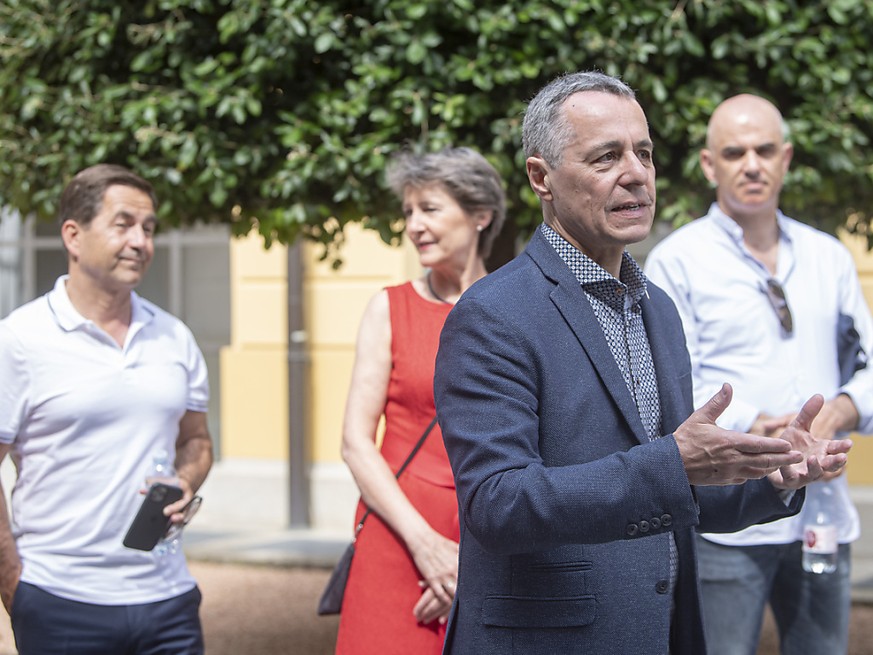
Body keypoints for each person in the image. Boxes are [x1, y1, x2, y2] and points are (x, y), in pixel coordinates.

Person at [432, 71, 853, 655]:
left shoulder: (657, 308)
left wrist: (774, 480)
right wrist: (672, 462)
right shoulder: (493, 314)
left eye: (644, 153)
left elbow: (681, 489)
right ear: (541, 178)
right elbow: (498, 504)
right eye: (606, 157)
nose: (635, 173)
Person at [644, 94, 873, 654]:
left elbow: (868, 362)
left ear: (786, 157)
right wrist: (756, 428)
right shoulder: (677, 260)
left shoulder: (828, 257)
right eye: (734, 151)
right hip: (730, 509)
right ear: (708, 164)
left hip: (820, 509)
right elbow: (669, 379)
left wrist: (840, 412)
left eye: (765, 150)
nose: (752, 164)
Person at [0, 164, 213, 654]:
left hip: (168, 600)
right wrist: (14, 581)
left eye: (149, 228)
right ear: (73, 235)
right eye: (123, 224)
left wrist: (186, 480)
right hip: (61, 601)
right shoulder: (20, 340)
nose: (141, 241)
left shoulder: (173, 336)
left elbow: (197, 441)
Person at [334, 147, 507, 654]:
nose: (413, 225)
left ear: (481, 215)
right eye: (408, 212)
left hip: (493, 540)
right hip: (397, 535)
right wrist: (425, 545)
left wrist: (474, 562)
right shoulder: (389, 308)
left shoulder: (518, 312)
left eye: (429, 209)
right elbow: (355, 442)